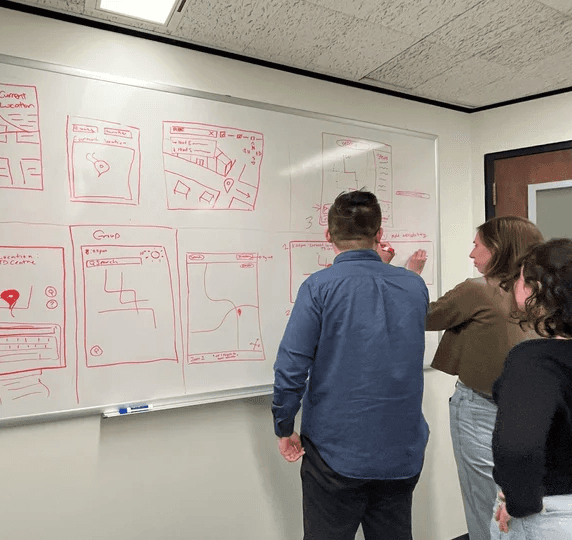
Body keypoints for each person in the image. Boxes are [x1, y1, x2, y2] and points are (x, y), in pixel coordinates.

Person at [272, 189, 429, 540]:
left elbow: (291, 366)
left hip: (335, 453)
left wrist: (284, 427)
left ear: (328, 235)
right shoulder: (415, 286)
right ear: (379, 232)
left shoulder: (318, 287)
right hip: (401, 450)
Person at [424, 216, 544, 540]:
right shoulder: (544, 292)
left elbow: (423, 317)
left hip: (481, 409)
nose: (471, 254)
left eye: (477, 245)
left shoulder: (477, 290)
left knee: (487, 505)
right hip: (529, 412)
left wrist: (408, 277)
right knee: (519, 505)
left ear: (498, 249)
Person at [491, 238, 572, 538]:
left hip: (553, 515)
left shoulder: (534, 361)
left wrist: (520, 503)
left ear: (536, 289)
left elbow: (518, 448)